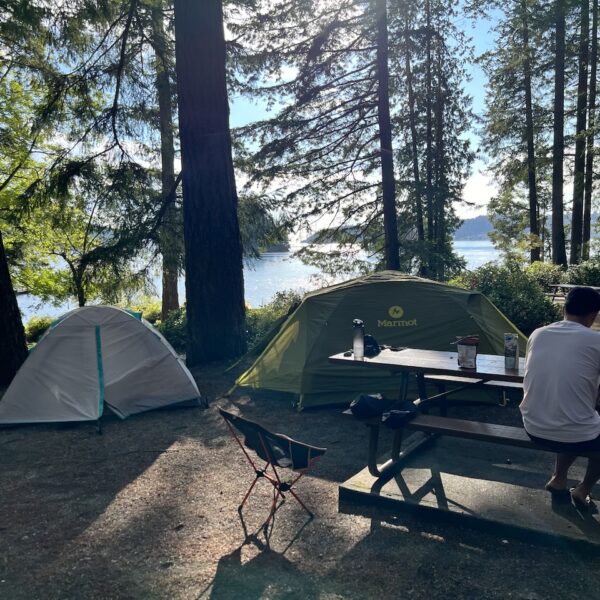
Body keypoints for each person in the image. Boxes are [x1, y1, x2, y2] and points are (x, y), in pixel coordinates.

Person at [520, 286, 600, 509]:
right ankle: (583, 490)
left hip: (533, 425)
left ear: (564, 309)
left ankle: (558, 479)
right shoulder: (596, 341)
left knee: (572, 413)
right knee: (580, 421)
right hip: (571, 431)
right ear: (594, 315)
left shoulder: (537, 333)